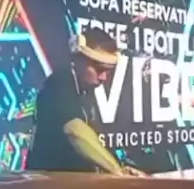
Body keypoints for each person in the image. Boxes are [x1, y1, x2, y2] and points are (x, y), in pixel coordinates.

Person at [26, 27, 143, 176]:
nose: (103, 78)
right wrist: (117, 171)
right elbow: (74, 131)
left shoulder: (85, 92)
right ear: (79, 59)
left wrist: (118, 166)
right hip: (49, 183)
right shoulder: (60, 82)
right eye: (99, 69)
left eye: (108, 71)